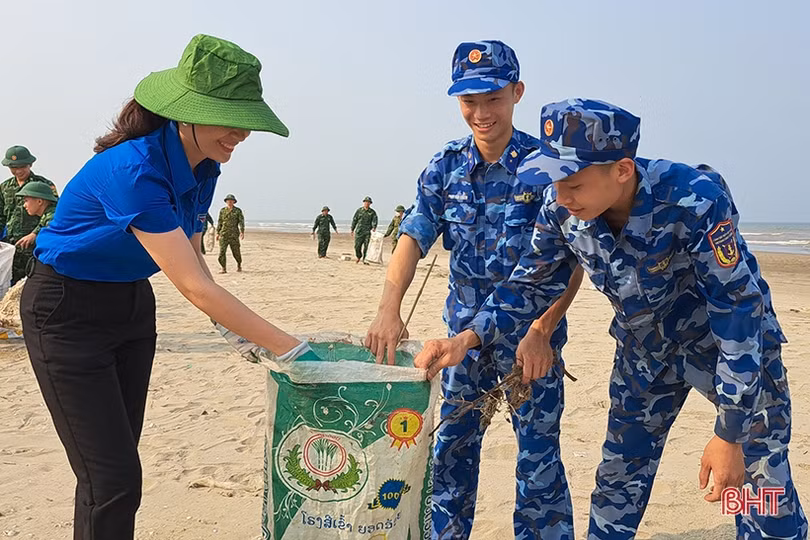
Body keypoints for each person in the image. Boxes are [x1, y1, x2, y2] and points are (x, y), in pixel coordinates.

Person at [415, 98, 807, 539]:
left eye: (573, 184)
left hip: (730, 355)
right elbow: (530, 285)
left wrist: (731, 432)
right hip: (645, 355)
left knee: (760, 482)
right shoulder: (561, 208)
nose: (561, 197)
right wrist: (465, 339)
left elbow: (739, 311)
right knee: (618, 482)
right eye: (553, 182)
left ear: (621, 170)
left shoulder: (693, 198)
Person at [20, 34, 320, 540]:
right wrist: (295, 351)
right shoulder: (133, 168)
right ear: (188, 113)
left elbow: (195, 259)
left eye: (249, 120)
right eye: (231, 117)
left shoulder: (205, 166)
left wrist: (229, 327)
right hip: (66, 313)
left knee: (111, 467)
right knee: (113, 479)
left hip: (132, 307)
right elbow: (195, 286)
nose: (242, 134)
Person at [365, 41, 583, 540]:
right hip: (461, 343)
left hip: (532, 341)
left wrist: (544, 330)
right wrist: (387, 308)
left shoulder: (545, 167)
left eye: (493, 98)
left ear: (516, 93)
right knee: (452, 454)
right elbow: (414, 236)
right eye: (469, 101)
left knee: (538, 462)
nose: (481, 113)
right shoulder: (444, 166)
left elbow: (571, 263)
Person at [0, 145, 58, 284]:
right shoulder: (4, 187)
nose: (18, 171)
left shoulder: (43, 185)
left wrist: (35, 233)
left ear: (30, 164)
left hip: (33, 246)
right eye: (14, 167)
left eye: (22, 166)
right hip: (11, 247)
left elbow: (54, 212)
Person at [216, 193, 245, 273]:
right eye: (228, 200)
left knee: (236, 252)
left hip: (234, 235)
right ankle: (223, 268)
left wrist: (242, 231)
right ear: (226, 201)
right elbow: (220, 222)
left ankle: (239, 264)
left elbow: (241, 221)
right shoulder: (222, 211)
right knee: (222, 252)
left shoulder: (237, 211)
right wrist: (218, 233)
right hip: (224, 234)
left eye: (231, 201)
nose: (230, 202)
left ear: (234, 202)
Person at [351, 195, 377, 263]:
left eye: (368, 202)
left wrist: (374, 227)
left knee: (366, 246)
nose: (367, 203)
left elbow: (374, 220)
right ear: (364, 203)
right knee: (357, 246)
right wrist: (352, 229)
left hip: (367, 232)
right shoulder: (359, 211)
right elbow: (355, 220)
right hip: (359, 231)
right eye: (366, 202)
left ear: (370, 203)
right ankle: (359, 256)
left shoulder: (372, 212)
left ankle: (364, 259)